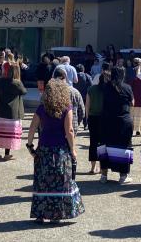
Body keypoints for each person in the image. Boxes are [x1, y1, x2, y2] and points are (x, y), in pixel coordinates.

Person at [26, 78, 85, 223]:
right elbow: (69, 130)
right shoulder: (67, 108)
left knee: (42, 181)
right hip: (60, 150)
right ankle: (56, 214)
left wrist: (30, 145)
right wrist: (73, 149)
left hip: (44, 148)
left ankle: (40, 214)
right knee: (60, 182)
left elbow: (32, 127)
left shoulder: (42, 107)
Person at [99, 66, 135, 184]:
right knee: (124, 146)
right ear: (122, 75)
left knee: (105, 146)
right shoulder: (127, 87)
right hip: (123, 120)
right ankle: (123, 176)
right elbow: (132, 102)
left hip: (107, 120)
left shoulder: (105, 87)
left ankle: (104, 175)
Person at [0, 60, 27, 160]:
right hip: (12, 112)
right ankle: (7, 154)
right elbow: (24, 92)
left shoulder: (0, 81)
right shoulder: (17, 83)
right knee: (9, 133)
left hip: (0, 110)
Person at [86, 62, 109, 174]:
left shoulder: (91, 89)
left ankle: (92, 167)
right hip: (104, 118)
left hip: (92, 117)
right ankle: (101, 167)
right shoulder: (108, 90)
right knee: (103, 143)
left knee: (93, 142)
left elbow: (87, 105)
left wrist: (86, 118)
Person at [130, 59, 141, 136]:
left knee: (133, 113)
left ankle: (135, 129)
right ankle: (138, 129)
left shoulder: (132, 72)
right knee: (139, 114)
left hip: (135, 96)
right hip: (140, 96)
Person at [75, 64, 92, 129]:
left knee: (76, 109)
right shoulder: (87, 76)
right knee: (84, 109)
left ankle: (77, 123)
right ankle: (85, 124)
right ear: (83, 69)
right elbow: (91, 85)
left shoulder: (75, 76)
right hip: (85, 95)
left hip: (76, 95)